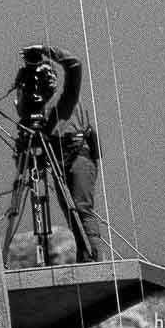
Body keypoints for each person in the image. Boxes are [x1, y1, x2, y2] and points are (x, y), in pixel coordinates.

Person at [17, 44, 102, 263]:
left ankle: (92, 259)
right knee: (71, 213)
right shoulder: (37, 108)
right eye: (44, 76)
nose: (49, 79)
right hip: (58, 159)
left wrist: (47, 50)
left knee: (81, 209)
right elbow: (25, 127)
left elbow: (75, 65)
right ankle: (85, 257)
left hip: (78, 155)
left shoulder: (68, 96)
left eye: (52, 74)